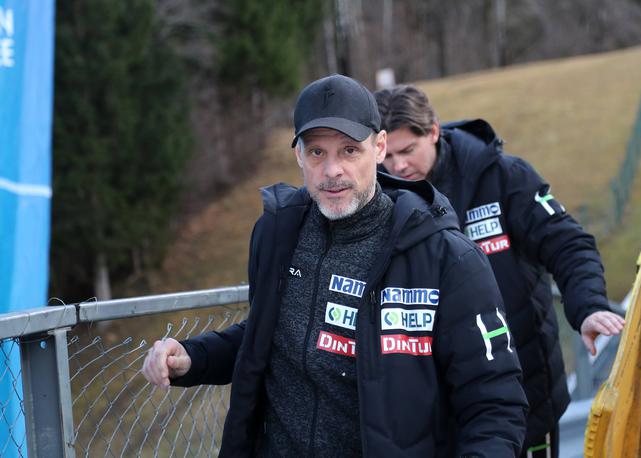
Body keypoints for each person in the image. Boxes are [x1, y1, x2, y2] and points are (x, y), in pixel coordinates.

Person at [143, 74, 528, 457]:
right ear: (298, 156)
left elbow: (495, 404)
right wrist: (194, 358)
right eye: (316, 153)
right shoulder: (277, 233)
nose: (332, 171)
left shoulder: (447, 258)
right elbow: (268, 334)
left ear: (378, 148)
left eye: (348, 150)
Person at [373, 84, 626, 457]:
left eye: (408, 151)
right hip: (429, 417)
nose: (398, 167)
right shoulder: (376, 201)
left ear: (434, 131)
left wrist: (588, 305)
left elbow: (568, 243)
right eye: (387, 156)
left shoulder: (504, 177)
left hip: (525, 401)